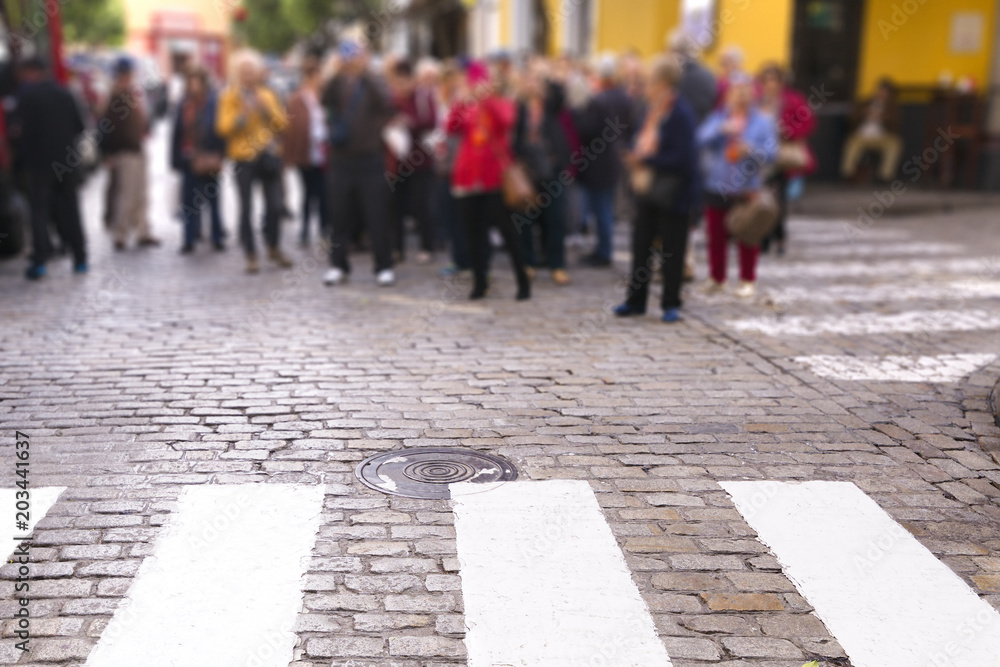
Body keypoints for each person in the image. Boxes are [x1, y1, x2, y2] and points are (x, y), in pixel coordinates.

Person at [613, 55, 699, 323]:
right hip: (647, 188)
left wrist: (645, 159)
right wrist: (634, 155)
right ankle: (635, 301)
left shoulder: (680, 113)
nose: (645, 86)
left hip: (673, 191)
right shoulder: (650, 110)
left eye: (649, 81)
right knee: (641, 246)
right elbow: (641, 139)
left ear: (662, 83)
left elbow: (682, 157)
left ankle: (670, 303)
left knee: (672, 250)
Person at [447, 61, 530, 301]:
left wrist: (486, 99)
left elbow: (506, 122)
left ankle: (522, 280)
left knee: (507, 231)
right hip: (468, 177)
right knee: (473, 232)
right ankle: (480, 282)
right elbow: (451, 126)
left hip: (495, 178)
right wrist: (461, 101)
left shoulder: (501, 103)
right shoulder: (467, 105)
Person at [321, 41, 396, 287]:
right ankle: (338, 265)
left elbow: (384, 103)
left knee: (377, 214)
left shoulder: (374, 81)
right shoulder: (337, 82)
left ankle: (383, 266)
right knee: (339, 214)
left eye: (357, 56)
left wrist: (365, 71)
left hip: (370, 158)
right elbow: (324, 98)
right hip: (342, 159)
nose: (352, 61)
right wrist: (336, 70)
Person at [697, 73, 777, 298]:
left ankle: (747, 280)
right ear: (728, 94)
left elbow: (772, 154)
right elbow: (699, 139)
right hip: (717, 184)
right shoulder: (718, 117)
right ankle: (717, 278)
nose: (741, 95)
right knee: (716, 235)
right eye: (736, 90)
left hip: (747, 186)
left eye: (745, 90)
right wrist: (719, 129)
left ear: (753, 94)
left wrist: (750, 150)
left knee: (748, 233)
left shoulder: (763, 121)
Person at [10, 57, 88, 279]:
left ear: (32, 72)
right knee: (71, 209)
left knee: (40, 212)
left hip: (39, 164)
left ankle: (40, 260)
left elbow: (17, 133)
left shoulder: (26, 97)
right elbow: (80, 127)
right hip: (67, 162)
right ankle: (80, 258)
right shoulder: (66, 94)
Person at [216, 50, 291, 273]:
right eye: (244, 72)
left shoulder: (267, 95)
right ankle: (250, 254)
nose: (248, 76)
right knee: (246, 207)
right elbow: (222, 128)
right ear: (237, 74)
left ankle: (273, 246)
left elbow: (282, 124)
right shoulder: (229, 97)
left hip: (267, 156)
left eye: (252, 72)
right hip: (243, 158)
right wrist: (244, 115)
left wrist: (266, 110)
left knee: (276, 205)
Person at [512, 65, 572, 285]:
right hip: (527, 169)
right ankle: (528, 262)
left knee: (556, 217)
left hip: (552, 165)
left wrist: (546, 76)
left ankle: (557, 265)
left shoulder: (550, 105)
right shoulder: (517, 107)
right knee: (526, 218)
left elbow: (561, 94)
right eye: (529, 80)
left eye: (536, 80)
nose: (532, 84)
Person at [576, 54, 634, 269]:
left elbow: (587, 130)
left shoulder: (598, 100)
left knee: (601, 209)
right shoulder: (624, 97)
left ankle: (604, 251)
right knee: (606, 207)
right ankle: (604, 248)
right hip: (615, 157)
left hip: (598, 160)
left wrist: (577, 114)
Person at [101, 56, 160, 252]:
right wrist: (108, 152)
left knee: (141, 192)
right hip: (125, 150)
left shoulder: (132, 94)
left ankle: (143, 231)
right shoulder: (116, 96)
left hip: (137, 147)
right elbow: (106, 127)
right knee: (126, 194)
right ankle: (121, 234)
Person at [757, 63, 816, 255]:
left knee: (779, 199)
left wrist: (788, 132)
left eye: (774, 80)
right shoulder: (758, 101)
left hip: (782, 155)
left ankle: (780, 236)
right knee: (762, 198)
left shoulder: (792, 100)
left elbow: (808, 122)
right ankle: (763, 237)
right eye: (767, 80)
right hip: (761, 156)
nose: (770, 84)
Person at [387, 59, 438, 264]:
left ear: (411, 80)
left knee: (422, 205)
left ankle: (427, 246)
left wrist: (409, 123)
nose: (401, 87)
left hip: (420, 161)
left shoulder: (423, 97)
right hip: (397, 162)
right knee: (395, 206)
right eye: (397, 83)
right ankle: (397, 248)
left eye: (404, 82)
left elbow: (432, 121)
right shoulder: (392, 99)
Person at [171, 66, 226, 254]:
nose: (193, 87)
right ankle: (189, 239)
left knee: (213, 200)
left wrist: (220, 153)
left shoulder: (213, 103)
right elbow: (176, 133)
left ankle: (217, 237)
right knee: (188, 201)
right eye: (190, 83)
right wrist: (175, 159)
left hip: (209, 157)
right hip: (188, 158)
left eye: (197, 83)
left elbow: (220, 130)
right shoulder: (183, 104)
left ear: (203, 84)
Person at [283, 53, 328, 247]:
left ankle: (325, 230)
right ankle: (305, 230)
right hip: (305, 153)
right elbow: (291, 127)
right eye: (316, 75)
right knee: (308, 193)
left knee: (324, 193)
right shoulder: (297, 99)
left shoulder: (325, 97)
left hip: (324, 153)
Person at [840, 78, 902, 183]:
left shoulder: (892, 107)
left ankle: (885, 177)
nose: (882, 94)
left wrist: (882, 117)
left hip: (882, 138)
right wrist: (864, 113)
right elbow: (851, 119)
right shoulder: (865, 102)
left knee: (895, 143)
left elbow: (896, 123)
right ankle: (848, 174)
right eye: (880, 90)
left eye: (885, 92)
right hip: (862, 136)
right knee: (852, 142)